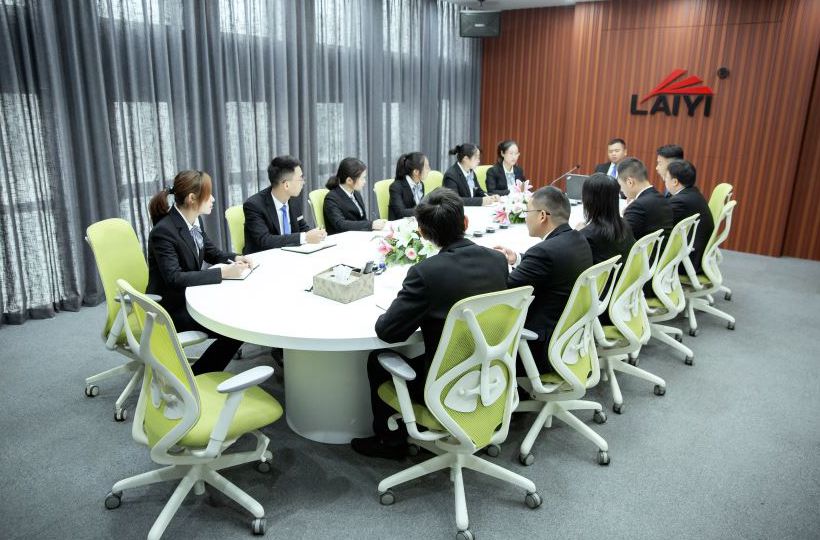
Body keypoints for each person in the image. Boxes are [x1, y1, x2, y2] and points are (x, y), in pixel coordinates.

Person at [350, 188, 510, 459]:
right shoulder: (498, 261)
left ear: (423, 234)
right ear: (466, 222)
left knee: (378, 359)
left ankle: (389, 442)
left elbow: (388, 332)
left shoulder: (426, 273)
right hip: (491, 375)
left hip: (446, 388)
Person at [146, 170, 253, 374]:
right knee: (235, 328)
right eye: (208, 195)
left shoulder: (194, 221)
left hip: (190, 296)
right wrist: (223, 273)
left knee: (237, 314)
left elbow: (211, 252)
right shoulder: (163, 232)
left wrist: (236, 257)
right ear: (192, 198)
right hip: (170, 308)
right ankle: (196, 377)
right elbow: (174, 278)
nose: (213, 199)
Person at [494, 187, 593, 374]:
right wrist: (518, 258)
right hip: (571, 341)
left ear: (541, 216)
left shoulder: (544, 252)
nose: (525, 217)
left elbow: (505, 288)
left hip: (539, 348)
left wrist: (492, 263)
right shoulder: (578, 239)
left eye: (527, 212)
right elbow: (552, 264)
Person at [243, 155, 326, 254]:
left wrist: (316, 234)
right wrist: (305, 237)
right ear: (286, 185)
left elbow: (302, 227)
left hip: (290, 254)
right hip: (264, 257)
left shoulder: (293, 199)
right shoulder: (254, 205)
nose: (303, 182)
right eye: (300, 178)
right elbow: (265, 240)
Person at [664, 159, 714, 273]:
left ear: (675, 182)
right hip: (696, 253)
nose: (665, 181)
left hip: (688, 260)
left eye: (666, 178)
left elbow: (660, 222)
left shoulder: (680, 201)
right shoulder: (692, 193)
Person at [579, 173, 635, 264]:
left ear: (589, 200)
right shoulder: (625, 224)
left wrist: (577, 235)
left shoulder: (587, 236)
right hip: (624, 272)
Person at [323, 157, 386, 235]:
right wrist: (371, 224)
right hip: (342, 238)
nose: (364, 182)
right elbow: (340, 224)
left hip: (358, 235)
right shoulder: (331, 199)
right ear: (349, 180)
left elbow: (362, 219)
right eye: (362, 178)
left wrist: (374, 226)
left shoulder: (356, 193)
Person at [617, 157, 673, 243]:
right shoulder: (661, 197)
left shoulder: (637, 206)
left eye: (620, 185)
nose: (621, 190)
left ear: (630, 182)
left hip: (646, 251)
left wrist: (624, 216)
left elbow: (622, 240)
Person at [388, 152, 429, 220]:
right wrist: (424, 209)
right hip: (399, 224)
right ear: (416, 172)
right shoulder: (396, 187)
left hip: (415, 222)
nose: (429, 170)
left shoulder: (420, 184)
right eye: (426, 167)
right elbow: (401, 213)